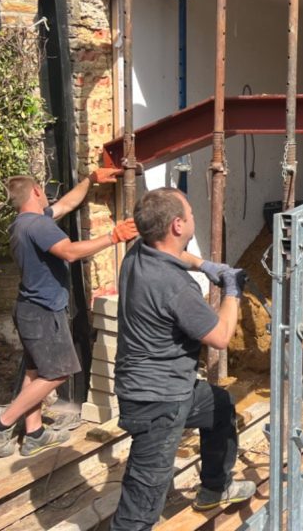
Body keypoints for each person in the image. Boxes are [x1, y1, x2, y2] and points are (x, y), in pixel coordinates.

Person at [110, 188, 255, 530]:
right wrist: (232, 290)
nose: (193, 219)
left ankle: (214, 488)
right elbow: (220, 336)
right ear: (177, 225)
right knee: (142, 499)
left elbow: (178, 257)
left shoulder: (138, 253)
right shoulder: (176, 288)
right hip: (158, 401)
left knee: (219, 406)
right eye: (190, 214)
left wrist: (206, 265)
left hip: (158, 386)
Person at [0, 169, 138, 458]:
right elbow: (70, 252)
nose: (49, 199)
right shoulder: (39, 226)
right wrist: (113, 236)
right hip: (42, 310)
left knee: (35, 371)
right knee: (59, 372)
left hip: (29, 308)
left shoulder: (23, 223)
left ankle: (35, 433)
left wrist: (90, 179)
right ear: (37, 192)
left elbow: (66, 204)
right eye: (44, 193)